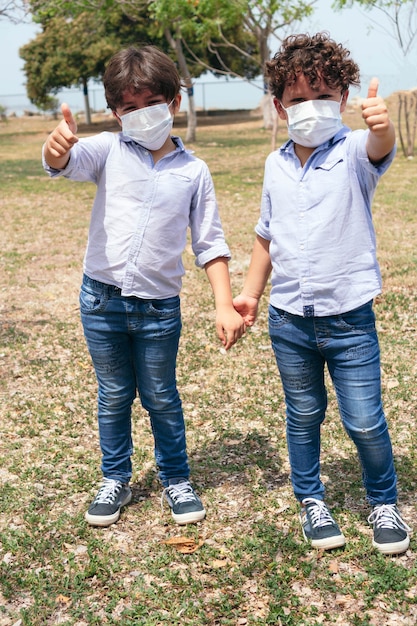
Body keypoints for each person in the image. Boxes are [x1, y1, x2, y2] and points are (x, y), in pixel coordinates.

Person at [42, 45, 245, 528]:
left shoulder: (193, 172)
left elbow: (210, 243)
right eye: (127, 108)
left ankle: (176, 478)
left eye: (150, 103)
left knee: (160, 396)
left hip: (158, 310)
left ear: (173, 102)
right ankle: (116, 478)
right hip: (101, 300)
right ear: (115, 112)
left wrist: (224, 304)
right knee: (113, 394)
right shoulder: (106, 150)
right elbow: (63, 162)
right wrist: (55, 150)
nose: (139, 115)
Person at [233, 32, 411, 555]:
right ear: (279, 107)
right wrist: (250, 293)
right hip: (289, 322)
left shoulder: (356, 150)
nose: (311, 106)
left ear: (344, 100)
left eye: (323, 95)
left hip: (350, 322)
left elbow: (381, 147)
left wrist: (384, 126)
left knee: (363, 417)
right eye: (298, 98)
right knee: (303, 413)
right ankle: (311, 500)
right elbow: (267, 235)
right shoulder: (275, 165)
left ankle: (384, 502)